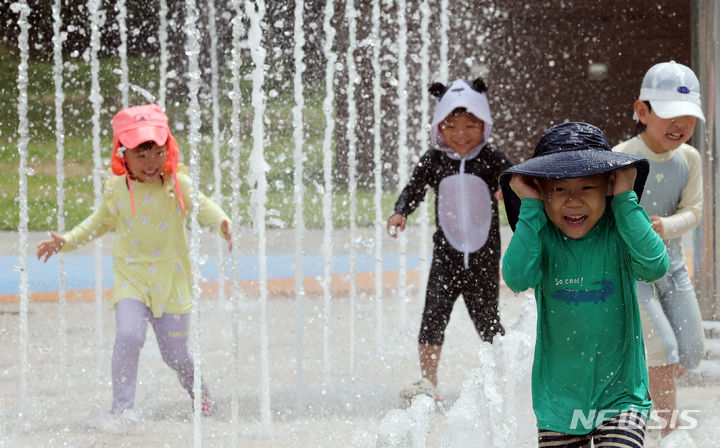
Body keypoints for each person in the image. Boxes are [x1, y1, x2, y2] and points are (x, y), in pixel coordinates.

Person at [36, 103, 231, 423]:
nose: (151, 162)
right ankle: (121, 408)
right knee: (129, 336)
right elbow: (97, 223)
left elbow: (204, 206)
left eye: (157, 152)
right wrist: (67, 241)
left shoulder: (175, 185)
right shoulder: (116, 190)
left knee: (176, 356)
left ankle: (201, 395)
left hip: (172, 281)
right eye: (141, 155)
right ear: (122, 154)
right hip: (132, 278)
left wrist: (223, 223)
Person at [500, 122, 669, 448]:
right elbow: (516, 277)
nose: (573, 201)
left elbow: (655, 265)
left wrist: (625, 200)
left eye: (587, 188)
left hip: (622, 397)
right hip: (560, 403)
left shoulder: (619, 232)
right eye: (559, 190)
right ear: (542, 193)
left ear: (607, 187)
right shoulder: (542, 238)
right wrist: (530, 208)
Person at [387, 78, 511, 401]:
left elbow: (516, 182)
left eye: (470, 125)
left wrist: (508, 192)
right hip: (446, 257)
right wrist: (401, 211)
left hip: (483, 258)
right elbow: (414, 188)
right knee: (433, 315)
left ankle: (505, 375)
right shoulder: (434, 160)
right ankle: (428, 382)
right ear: (438, 126)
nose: (460, 134)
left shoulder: (492, 159)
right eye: (450, 126)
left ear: (484, 123)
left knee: (488, 322)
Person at [613, 61, 706, 448]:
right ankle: (665, 433)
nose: (680, 124)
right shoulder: (621, 156)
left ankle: (647, 387)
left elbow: (696, 211)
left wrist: (663, 226)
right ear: (642, 111)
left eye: (689, 117)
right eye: (670, 114)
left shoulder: (689, 160)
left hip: (674, 269)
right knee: (662, 348)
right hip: (635, 272)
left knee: (692, 350)